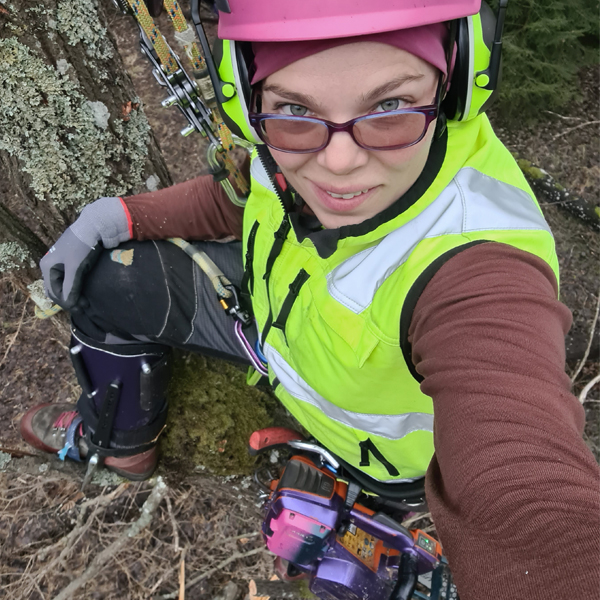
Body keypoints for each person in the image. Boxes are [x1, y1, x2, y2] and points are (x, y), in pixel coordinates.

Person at [21, 1, 599, 597]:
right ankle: (118, 445)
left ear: (453, 82)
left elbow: (522, 482)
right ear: (250, 99)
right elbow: (246, 195)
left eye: (391, 106)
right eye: (295, 109)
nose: (339, 162)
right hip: (278, 330)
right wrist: (122, 214)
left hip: (376, 463)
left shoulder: (477, 268)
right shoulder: (285, 150)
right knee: (107, 279)